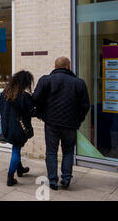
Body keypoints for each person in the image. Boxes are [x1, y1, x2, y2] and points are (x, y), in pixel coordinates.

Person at [33, 57, 90, 190]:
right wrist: (78, 119)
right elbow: (85, 105)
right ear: (68, 66)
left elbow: (35, 98)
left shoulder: (46, 80)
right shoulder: (79, 82)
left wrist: (43, 112)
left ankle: (52, 180)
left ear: (55, 66)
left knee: (51, 152)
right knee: (68, 151)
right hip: (70, 124)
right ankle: (66, 178)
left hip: (51, 122)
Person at [0, 70, 36, 187]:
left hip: (7, 127)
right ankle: (10, 177)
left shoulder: (4, 93)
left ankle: (20, 169)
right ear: (25, 83)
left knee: (16, 147)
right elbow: (32, 112)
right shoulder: (25, 97)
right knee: (16, 150)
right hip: (19, 129)